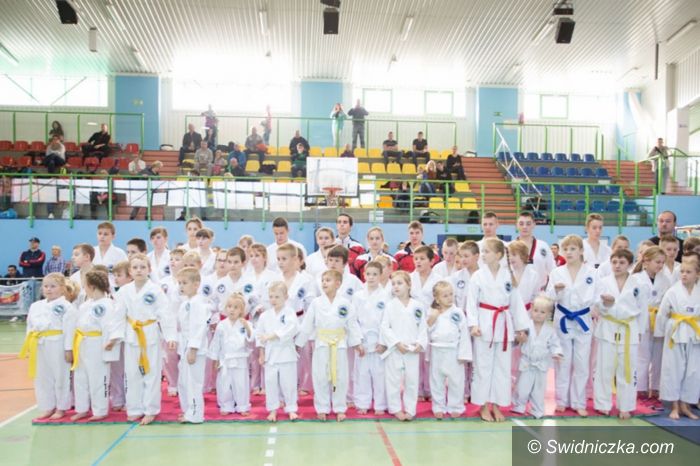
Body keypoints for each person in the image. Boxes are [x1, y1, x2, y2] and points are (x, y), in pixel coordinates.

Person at [467, 238, 528, 422]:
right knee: (483, 367)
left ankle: (496, 405)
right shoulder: (478, 276)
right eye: (483, 251)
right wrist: (473, 324)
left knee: (502, 368)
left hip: (503, 324)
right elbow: (471, 302)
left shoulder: (508, 276)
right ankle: (483, 405)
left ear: (499, 255)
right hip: (484, 324)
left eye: (487, 251)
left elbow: (516, 303)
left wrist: (521, 327)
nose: (483, 254)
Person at [116, 254, 176, 425]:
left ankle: (150, 409)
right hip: (131, 336)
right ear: (130, 271)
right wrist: (115, 336)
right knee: (131, 374)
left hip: (150, 335)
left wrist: (170, 336)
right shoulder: (124, 291)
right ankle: (134, 409)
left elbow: (166, 314)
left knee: (152, 374)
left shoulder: (155, 290)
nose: (139, 270)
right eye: (135, 267)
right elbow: (118, 315)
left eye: (143, 267)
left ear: (149, 269)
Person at [296, 269, 363, 421]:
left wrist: (357, 342)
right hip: (321, 343)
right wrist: (299, 343)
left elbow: (352, 324)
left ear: (338, 284)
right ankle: (322, 407)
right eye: (323, 280)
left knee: (340, 376)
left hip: (339, 344)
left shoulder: (345, 303)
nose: (324, 283)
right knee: (320, 376)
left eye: (328, 280)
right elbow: (307, 324)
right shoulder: (316, 303)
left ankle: (339, 407)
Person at [545, 235, 599, 417]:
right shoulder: (556, 272)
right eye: (566, 249)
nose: (568, 252)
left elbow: (598, 296)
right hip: (563, 319)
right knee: (563, 361)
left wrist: (597, 308)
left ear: (581, 251)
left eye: (573, 249)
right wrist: (556, 291)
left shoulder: (592, 273)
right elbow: (548, 297)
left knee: (582, 363)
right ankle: (561, 400)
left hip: (583, 319)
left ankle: (578, 402)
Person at [19, 272, 74, 420]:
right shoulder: (35, 306)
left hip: (57, 343)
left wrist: (69, 349)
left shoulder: (66, 306)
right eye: (46, 286)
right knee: (42, 377)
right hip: (38, 343)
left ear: (62, 288)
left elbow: (70, 330)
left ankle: (61, 407)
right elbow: (29, 326)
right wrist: (29, 345)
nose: (48, 289)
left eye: (53, 286)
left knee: (60, 376)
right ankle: (47, 406)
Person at [70, 269, 121, 422]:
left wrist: (110, 343)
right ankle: (82, 408)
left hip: (97, 344)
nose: (84, 289)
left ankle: (100, 410)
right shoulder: (85, 305)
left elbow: (110, 327)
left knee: (98, 377)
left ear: (92, 286)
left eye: (85, 286)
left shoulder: (107, 305)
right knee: (80, 377)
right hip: (82, 343)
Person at [656, 252, 700, 420]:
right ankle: (674, 405)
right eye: (682, 271)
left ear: (697, 274)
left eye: (688, 272)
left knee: (693, 370)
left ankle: (685, 405)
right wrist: (660, 333)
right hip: (675, 332)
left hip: (694, 332)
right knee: (673, 368)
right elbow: (662, 313)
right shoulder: (673, 291)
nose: (684, 275)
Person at [381, 270, 428, 421]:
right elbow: (385, 327)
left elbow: (423, 327)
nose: (396, 286)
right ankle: (395, 408)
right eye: (393, 284)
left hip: (412, 349)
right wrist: (396, 343)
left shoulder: (418, 306)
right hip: (396, 348)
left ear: (408, 285)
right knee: (393, 380)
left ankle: (410, 409)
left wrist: (420, 343)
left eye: (399, 283)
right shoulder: (390, 306)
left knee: (412, 381)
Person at [511, 295, 563, 419]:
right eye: (536, 311)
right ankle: (519, 405)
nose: (538, 314)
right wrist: (518, 338)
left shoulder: (550, 331)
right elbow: (516, 339)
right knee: (522, 387)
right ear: (531, 310)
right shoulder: (525, 327)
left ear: (548, 314)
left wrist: (557, 353)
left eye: (542, 312)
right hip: (527, 362)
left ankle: (537, 409)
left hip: (541, 364)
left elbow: (555, 344)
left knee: (539, 390)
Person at [256, 281, 300, 422]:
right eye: (271, 297)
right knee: (270, 383)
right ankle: (273, 409)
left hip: (286, 353)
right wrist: (261, 353)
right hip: (270, 354)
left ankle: (291, 408)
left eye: (277, 297)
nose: (273, 300)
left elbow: (292, 328)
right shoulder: (264, 316)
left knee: (289, 383)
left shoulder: (289, 312)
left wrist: (273, 335)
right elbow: (259, 335)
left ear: (285, 297)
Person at [427, 280, 472, 418]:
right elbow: (426, 330)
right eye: (445, 296)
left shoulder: (458, 312)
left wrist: (463, 354)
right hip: (437, 349)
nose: (449, 298)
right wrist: (432, 319)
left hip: (454, 350)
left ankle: (456, 406)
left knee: (456, 381)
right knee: (436, 380)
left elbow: (464, 334)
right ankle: (438, 406)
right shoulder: (432, 312)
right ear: (437, 299)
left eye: (451, 294)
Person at [353, 261, 390, 415]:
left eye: (375, 274)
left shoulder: (386, 296)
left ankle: (380, 404)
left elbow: (387, 321)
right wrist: (357, 341)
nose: (371, 277)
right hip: (362, 340)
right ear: (364, 275)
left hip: (379, 342)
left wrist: (383, 342)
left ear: (381, 276)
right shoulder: (358, 296)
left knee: (380, 374)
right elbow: (353, 320)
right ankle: (362, 403)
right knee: (362, 374)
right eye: (368, 274)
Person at [174, 267, 209, 424]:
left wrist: (193, 349)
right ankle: (188, 410)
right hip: (185, 346)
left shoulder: (198, 303)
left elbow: (199, 327)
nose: (181, 286)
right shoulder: (186, 303)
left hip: (194, 348)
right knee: (184, 381)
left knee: (194, 382)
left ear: (196, 284)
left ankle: (195, 414)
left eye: (185, 283)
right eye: (180, 283)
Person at [209, 293, 253, 416]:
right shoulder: (221, 325)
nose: (232, 310)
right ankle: (226, 405)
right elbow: (216, 343)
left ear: (241, 310)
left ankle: (242, 406)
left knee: (241, 383)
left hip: (240, 359)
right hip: (225, 359)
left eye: (235, 307)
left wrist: (247, 327)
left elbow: (251, 339)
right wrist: (215, 359)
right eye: (229, 306)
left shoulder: (246, 324)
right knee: (224, 384)